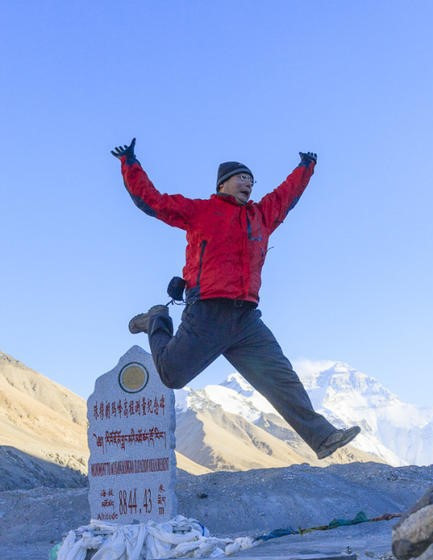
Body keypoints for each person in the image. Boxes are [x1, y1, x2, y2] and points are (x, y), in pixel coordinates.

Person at [111, 138, 360, 459]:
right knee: (172, 376)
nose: (249, 184)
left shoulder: (262, 215)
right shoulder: (200, 211)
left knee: (280, 378)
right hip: (207, 313)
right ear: (223, 184)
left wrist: (305, 167)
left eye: (252, 180)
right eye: (242, 178)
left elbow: (287, 195)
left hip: (246, 320)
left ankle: (323, 437)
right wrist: (130, 164)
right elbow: (153, 201)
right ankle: (157, 319)